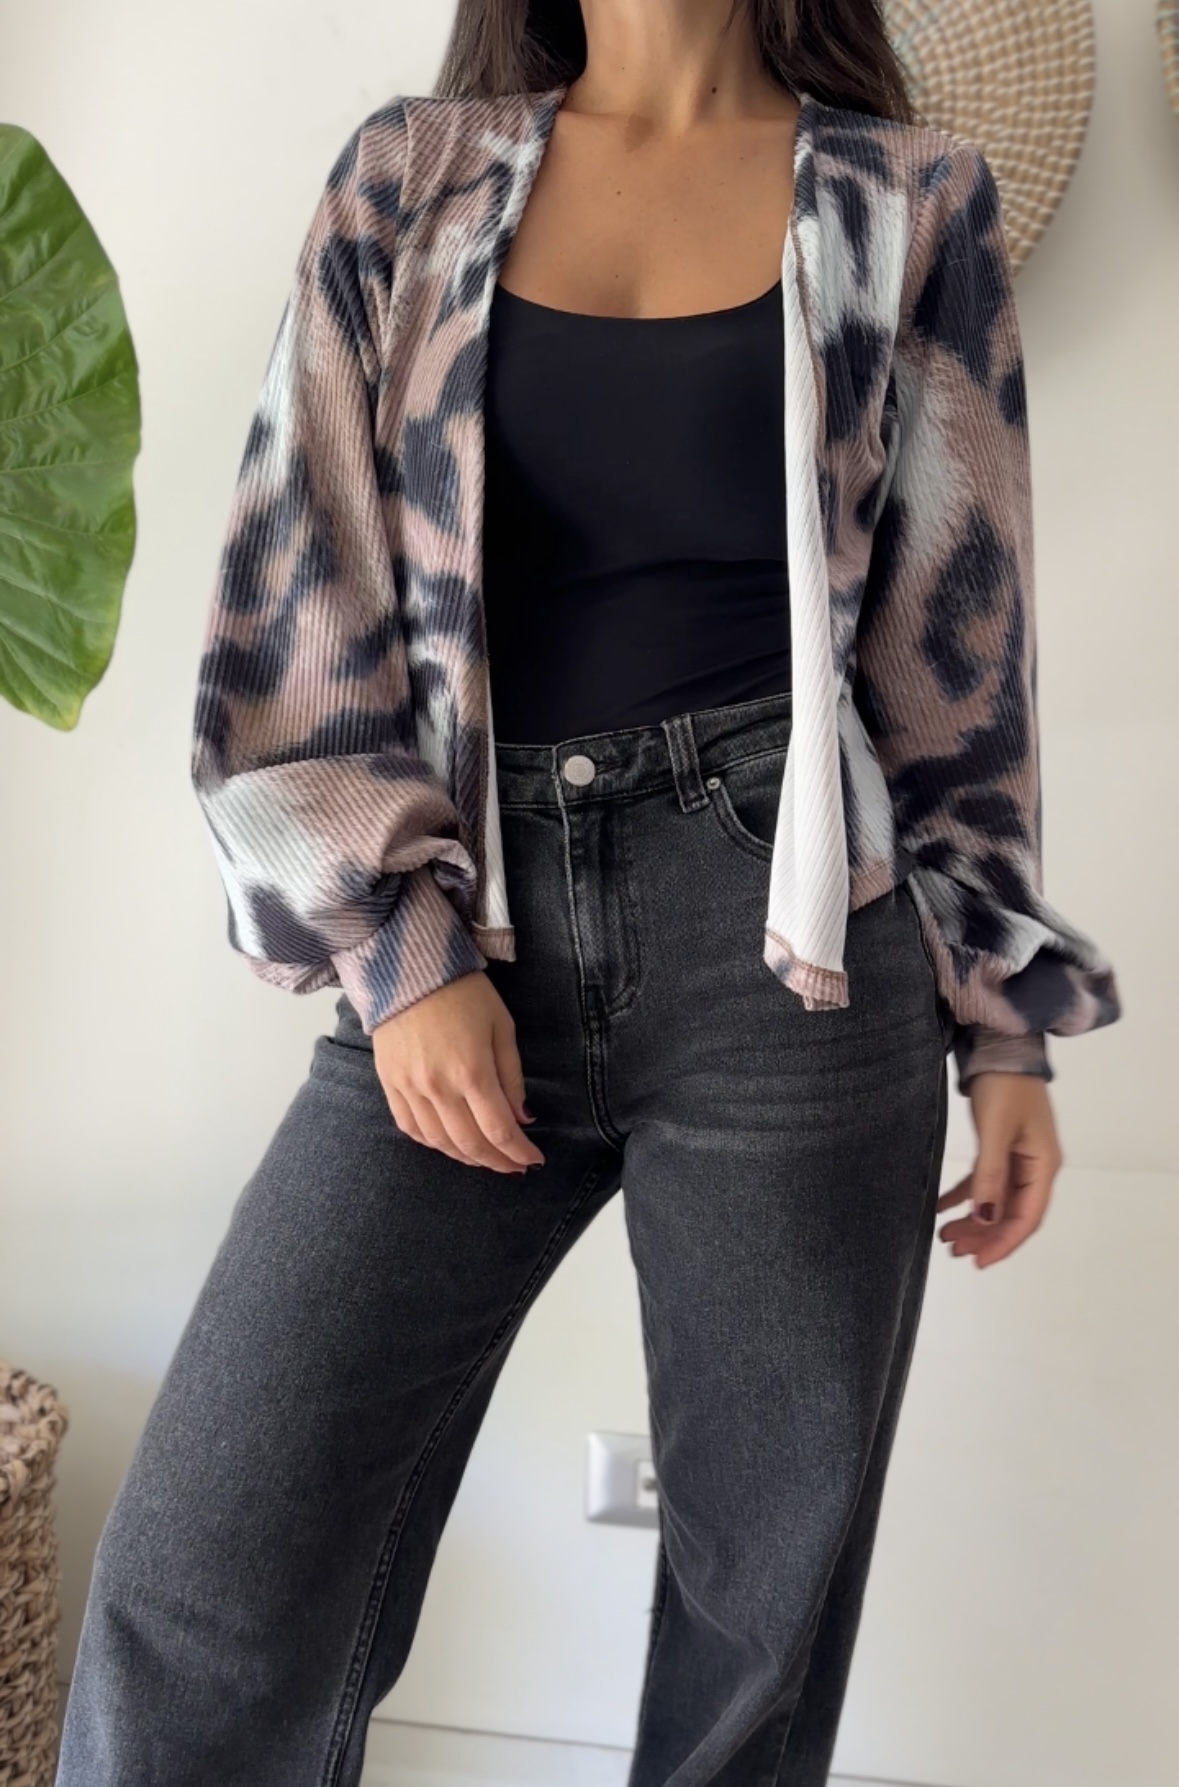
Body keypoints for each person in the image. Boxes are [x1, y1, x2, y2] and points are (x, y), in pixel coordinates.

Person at [57, 2, 1122, 1783]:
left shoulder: (910, 201)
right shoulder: (411, 180)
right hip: (470, 918)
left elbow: (961, 645)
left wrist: (1007, 1028)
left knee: (755, 1630)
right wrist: (402, 956)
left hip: (801, 947)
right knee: (204, 1577)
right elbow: (297, 587)